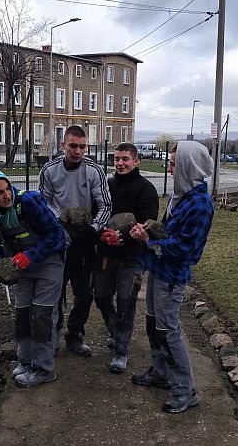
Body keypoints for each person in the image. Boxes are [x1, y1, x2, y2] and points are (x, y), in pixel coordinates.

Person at [129, 140, 214, 413]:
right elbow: (169, 232)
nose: (169, 168)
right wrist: (150, 229)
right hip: (158, 269)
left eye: (174, 164)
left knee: (169, 331)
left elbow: (187, 249)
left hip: (172, 277)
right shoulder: (181, 196)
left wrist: (148, 241)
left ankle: (185, 390)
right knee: (154, 324)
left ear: (188, 167)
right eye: (170, 163)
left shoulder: (199, 204)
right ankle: (162, 372)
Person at [0, 167, 67, 388]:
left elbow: (56, 234)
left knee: (42, 315)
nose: (6, 195)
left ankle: (44, 369)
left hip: (49, 261)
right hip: (21, 265)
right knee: (23, 313)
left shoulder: (28, 202)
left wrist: (31, 255)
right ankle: (26, 361)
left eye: (7, 189)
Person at [38, 125, 111, 357]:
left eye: (82, 146)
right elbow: (43, 201)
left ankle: (76, 335)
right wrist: (58, 222)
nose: (78, 151)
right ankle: (53, 334)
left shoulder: (94, 171)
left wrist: (93, 228)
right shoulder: (49, 170)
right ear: (63, 145)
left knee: (84, 294)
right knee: (54, 291)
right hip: (58, 241)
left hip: (84, 241)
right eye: (73, 146)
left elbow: (105, 204)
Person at [94, 142, 159, 373]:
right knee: (101, 296)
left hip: (133, 256)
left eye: (125, 159)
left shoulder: (146, 190)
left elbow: (147, 223)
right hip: (106, 254)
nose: (120, 163)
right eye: (116, 159)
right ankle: (115, 331)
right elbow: (97, 214)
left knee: (126, 303)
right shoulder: (107, 185)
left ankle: (121, 351)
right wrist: (102, 235)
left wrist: (123, 236)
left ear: (136, 160)